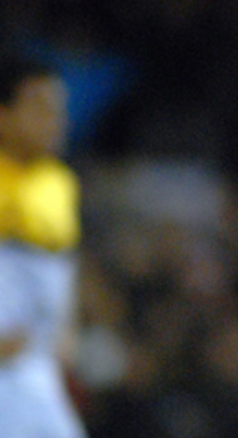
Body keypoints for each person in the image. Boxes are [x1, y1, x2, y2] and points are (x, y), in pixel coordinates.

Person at [0, 55, 87, 438]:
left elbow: (63, 267)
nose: (55, 120)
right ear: (3, 115)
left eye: (59, 110)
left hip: (35, 366)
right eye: (39, 108)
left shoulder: (60, 184)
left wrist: (66, 326)